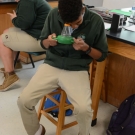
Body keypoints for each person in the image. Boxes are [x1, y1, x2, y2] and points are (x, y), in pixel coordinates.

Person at [17, 0, 108, 135]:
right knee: (24, 101)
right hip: (52, 64)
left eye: (77, 23)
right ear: (60, 13)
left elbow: (101, 56)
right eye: (68, 24)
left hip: (77, 68)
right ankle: (36, 131)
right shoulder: (53, 14)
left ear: (83, 9)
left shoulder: (96, 21)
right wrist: (49, 41)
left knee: (84, 109)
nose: (73, 28)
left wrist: (86, 48)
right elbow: (43, 43)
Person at [0, 0, 51, 91]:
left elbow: (24, 24)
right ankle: (17, 62)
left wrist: (14, 19)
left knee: (2, 40)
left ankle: (10, 75)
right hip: (43, 35)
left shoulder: (27, 1)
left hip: (42, 40)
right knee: (7, 32)